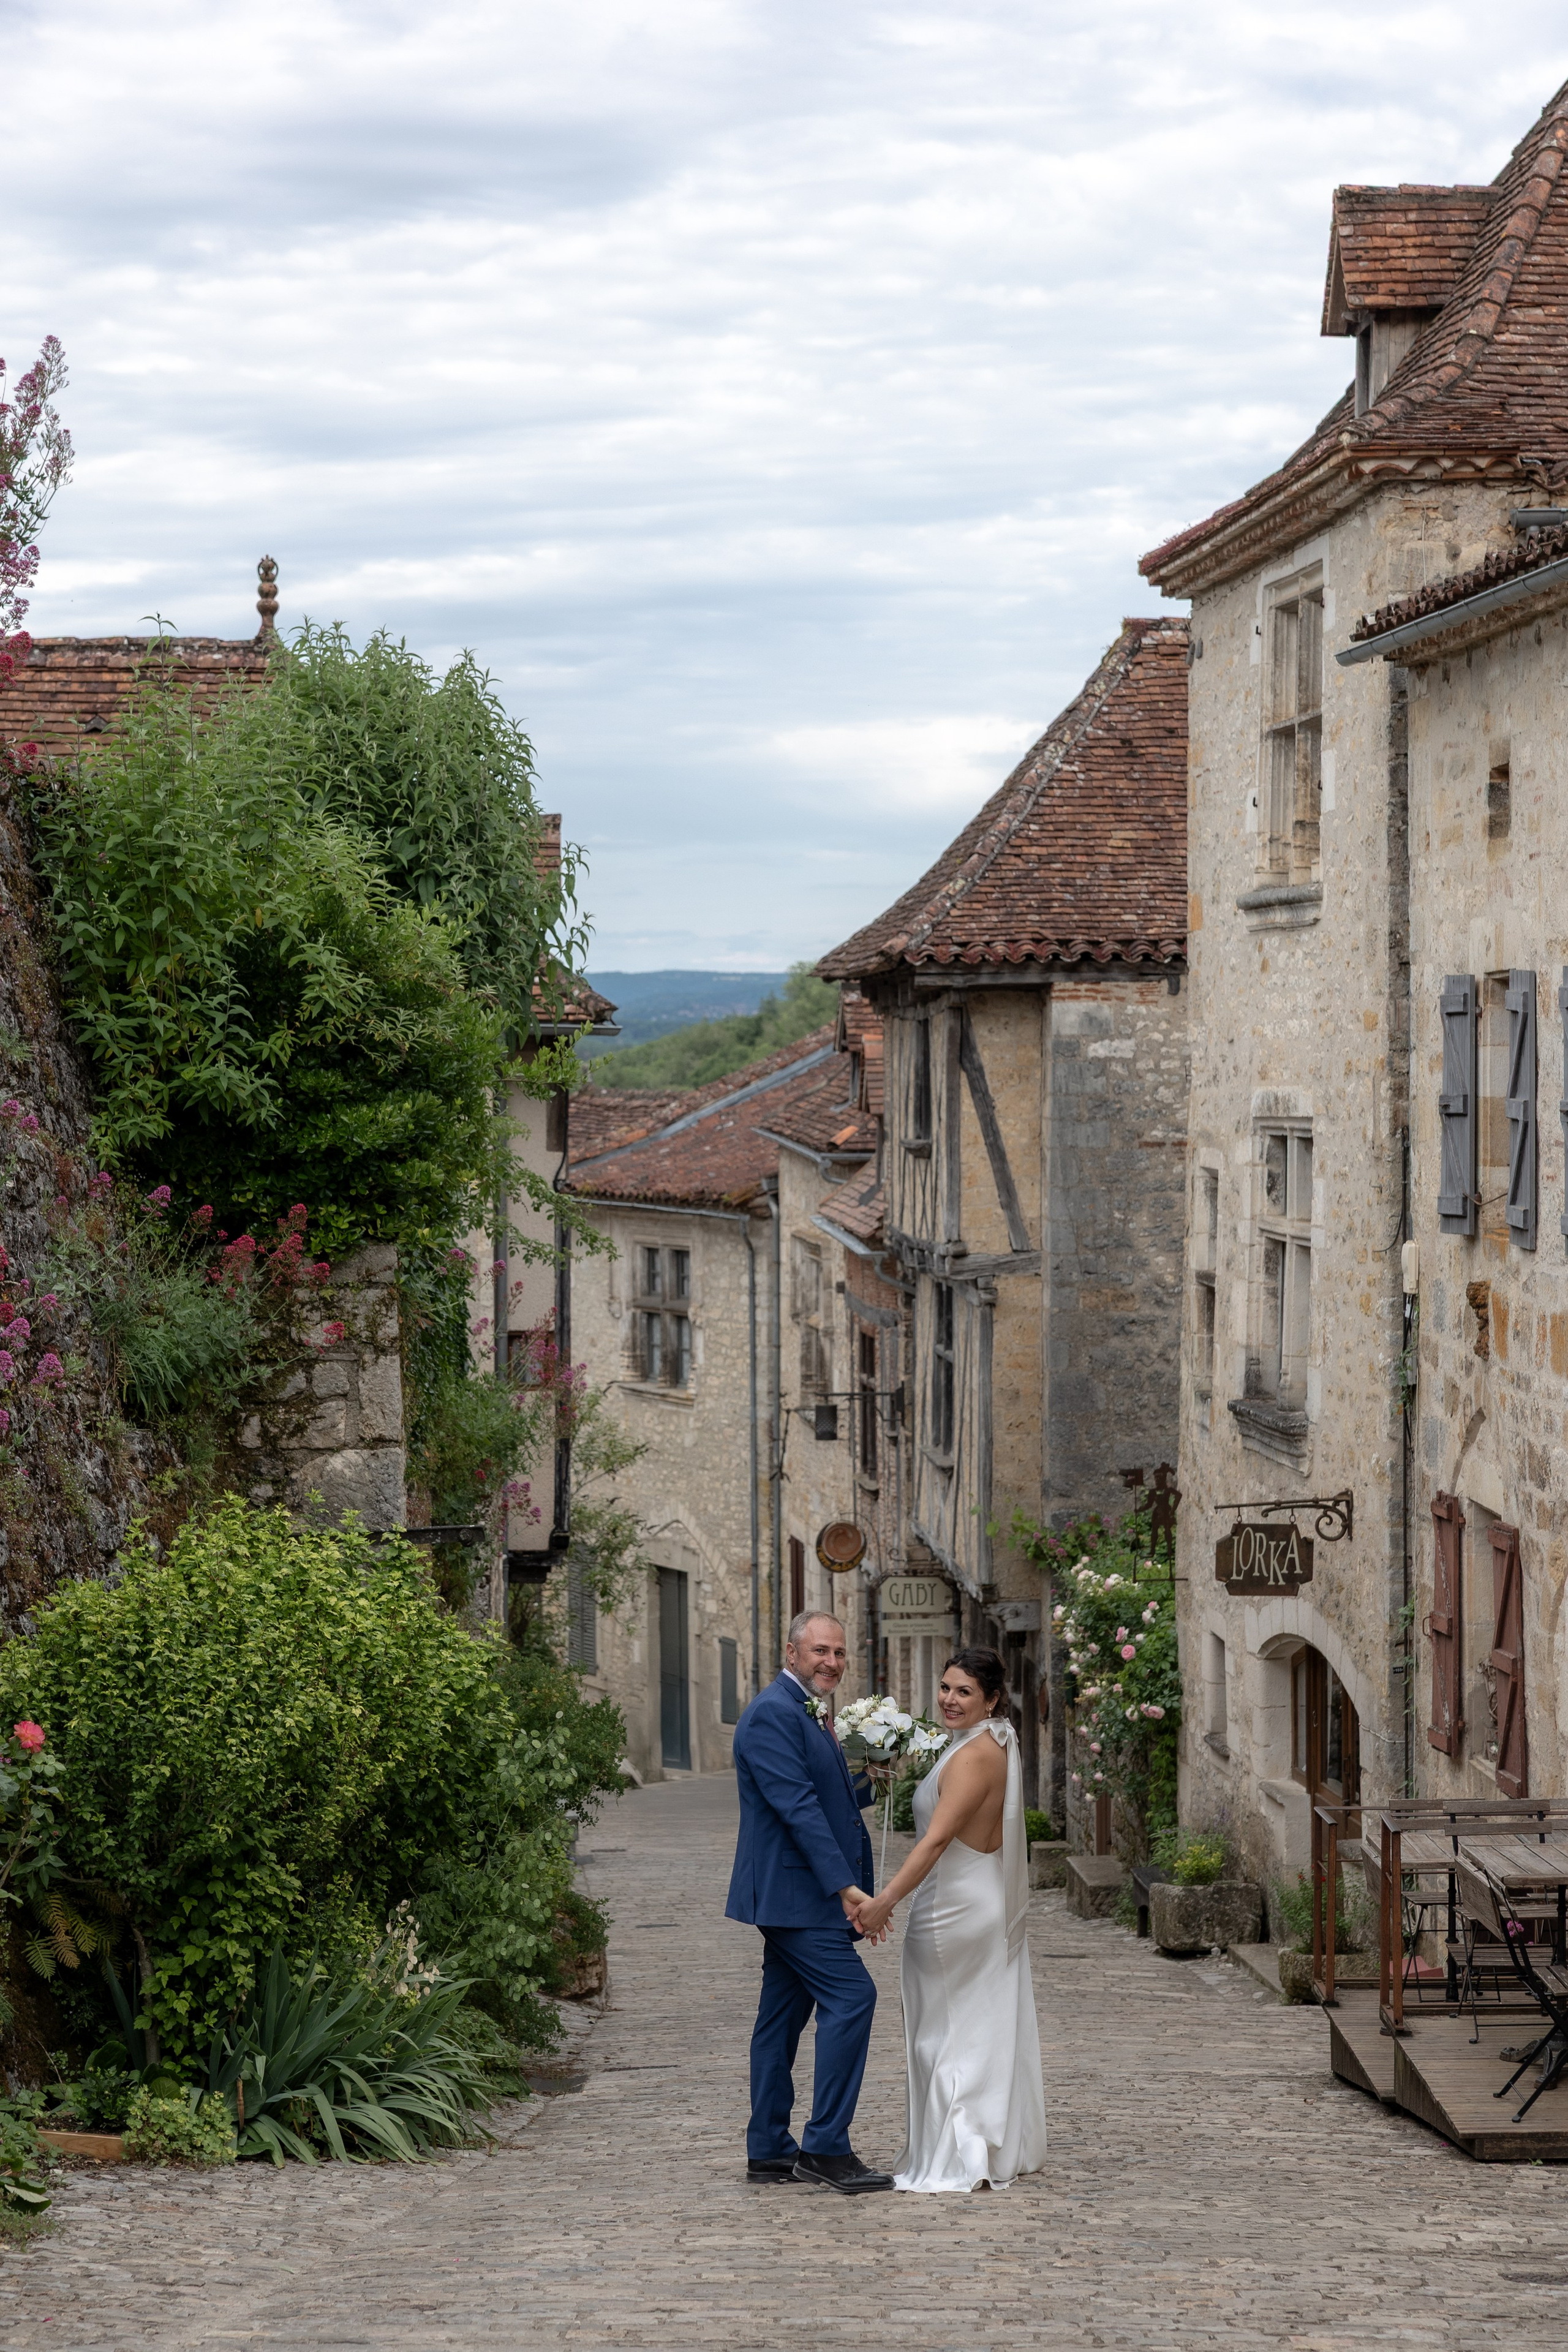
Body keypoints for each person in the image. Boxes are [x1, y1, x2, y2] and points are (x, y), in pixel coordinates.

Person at [850, 1646, 1047, 2193]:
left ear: (992, 1700)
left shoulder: (974, 1756)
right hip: (976, 1900)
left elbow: (937, 1840)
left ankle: (961, 2149)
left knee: (943, 2033)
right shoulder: (983, 1745)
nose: (949, 1699)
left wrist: (884, 1900)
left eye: (964, 1691)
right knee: (974, 2027)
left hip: (953, 1909)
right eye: (945, 1687)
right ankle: (982, 2139)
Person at [725, 1610, 894, 2194]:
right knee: (853, 1997)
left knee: (780, 2020)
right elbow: (797, 1808)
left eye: (840, 1653)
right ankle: (825, 2147)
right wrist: (847, 1888)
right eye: (820, 1650)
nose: (832, 1662)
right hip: (798, 1893)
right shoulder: (774, 1712)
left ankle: (769, 2150)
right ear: (792, 1652)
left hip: (800, 1894)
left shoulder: (804, 1708)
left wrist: (880, 1777)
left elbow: (826, 1792)